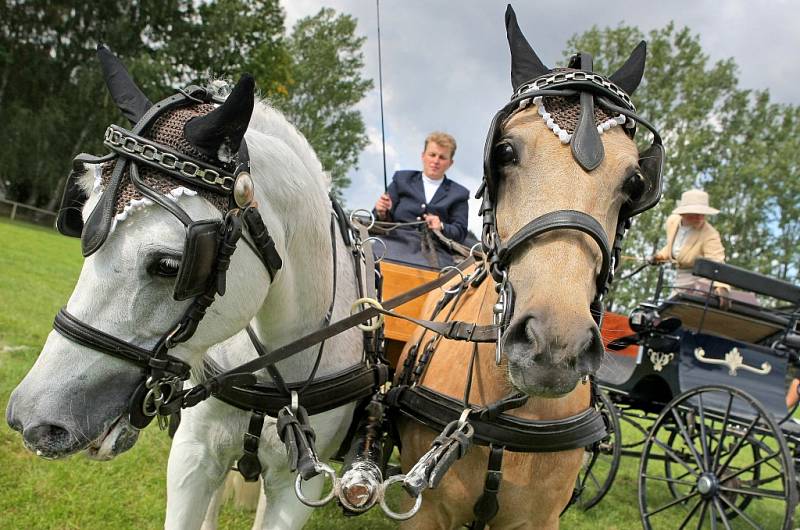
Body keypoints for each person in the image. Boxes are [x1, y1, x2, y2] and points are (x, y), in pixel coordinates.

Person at [374, 131, 469, 244]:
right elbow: (378, 221)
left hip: (436, 253)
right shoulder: (402, 180)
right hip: (393, 245)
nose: (436, 161)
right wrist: (381, 212)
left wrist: (441, 226)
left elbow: (460, 232)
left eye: (442, 157)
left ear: (450, 163)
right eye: (432, 155)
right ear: (423, 156)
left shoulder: (459, 194)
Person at [651, 188, 729, 300]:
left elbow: (717, 261)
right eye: (696, 213)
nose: (700, 217)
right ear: (683, 213)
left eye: (703, 213)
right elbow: (674, 247)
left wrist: (722, 287)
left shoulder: (710, 234)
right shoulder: (672, 222)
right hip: (679, 280)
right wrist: (660, 257)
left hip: (700, 284)